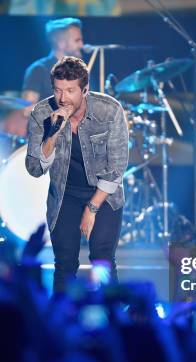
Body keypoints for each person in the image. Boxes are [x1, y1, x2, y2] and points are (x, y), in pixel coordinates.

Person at [25, 56, 128, 292]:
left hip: (104, 194)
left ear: (85, 89)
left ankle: (111, 317)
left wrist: (91, 209)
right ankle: (61, 321)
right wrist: (52, 133)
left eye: (70, 91)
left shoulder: (109, 110)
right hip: (65, 195)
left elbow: (117, 167)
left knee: (102, 259)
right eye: (58, 90)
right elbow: (34, 168)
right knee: (64, 263)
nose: (63, 98)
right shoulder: (42, 113)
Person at [21, 17, 85, 105]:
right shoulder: (39, 70)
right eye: (77, 40)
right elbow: (26, 110)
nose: (82, 45)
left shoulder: (80, 70)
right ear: (61, 43)